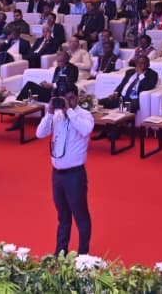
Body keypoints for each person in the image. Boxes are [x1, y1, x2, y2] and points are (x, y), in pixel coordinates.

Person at [36, 88, 94, 256]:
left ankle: (83, 255)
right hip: (57, 174)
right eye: (64, 99)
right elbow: (40, 133)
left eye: (71, 98)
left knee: (80, 215)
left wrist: (69, 110)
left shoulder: (84, 115)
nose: (68, 102)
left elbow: (85, 130)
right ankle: (60, 252)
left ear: (77, 97)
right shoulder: (57, 115)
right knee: (63, 216)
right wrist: (49, 113)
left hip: (75, 174)